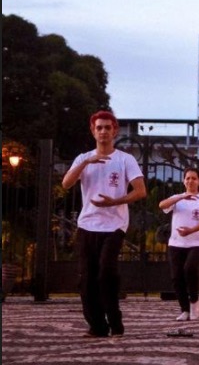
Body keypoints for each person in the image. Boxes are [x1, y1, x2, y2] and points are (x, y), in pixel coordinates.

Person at [61, 110, 147, 338]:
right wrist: (86, 162)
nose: (103, 132)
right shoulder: (83, 158)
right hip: (87, 224)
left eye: (108, 128)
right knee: (87, 278)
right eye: (99, 127)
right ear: (93, 131)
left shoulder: (125, 159)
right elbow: (66, 184)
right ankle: (97, 326)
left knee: (105, 273)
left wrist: (115, 201)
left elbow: (140, 191)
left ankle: (114, 319)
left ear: (115, 131)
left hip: (114, 225)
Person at [159, 167, 199, 321]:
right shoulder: (177, 198)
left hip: (197, 243)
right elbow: (162, 205)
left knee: (189, 268)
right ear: (184, 181)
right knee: (176, 276)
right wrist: (180, 198)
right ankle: (184, 309)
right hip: (176, 243)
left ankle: (194, 301)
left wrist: (192, 230)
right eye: (188, 178)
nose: (191, 181)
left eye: (194, 178)